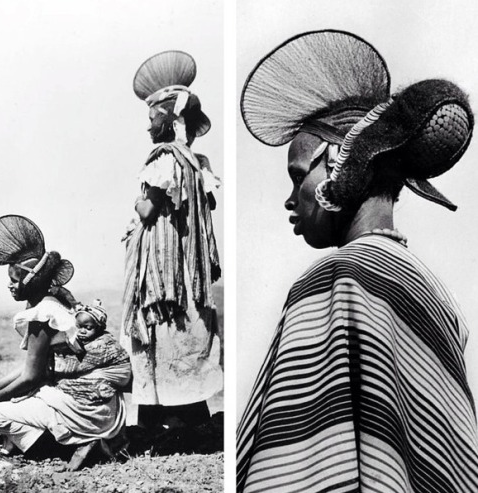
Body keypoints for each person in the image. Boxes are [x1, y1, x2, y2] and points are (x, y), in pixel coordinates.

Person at [237, 30, 478, 492]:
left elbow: (299, 467)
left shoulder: (336, 277)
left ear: (336, 163)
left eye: (296, 177)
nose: (291, 200)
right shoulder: (434, 293)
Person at [121, 51, 223, 431]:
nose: (148, 128)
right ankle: (189, 413)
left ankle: (160, 417)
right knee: (186, 328)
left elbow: (148, 211)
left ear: (165, 120)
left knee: (160, 326)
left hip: (164, 270)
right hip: (188, 268)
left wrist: (137, 200)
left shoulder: (164, 158)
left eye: (151, 119)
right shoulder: (200, 163)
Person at [0, 215, 130, 470]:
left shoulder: (42, 316)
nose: (10, 285)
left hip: (85, 409)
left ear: (31, 282)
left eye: (15, 280)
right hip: (99, 406)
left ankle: (71, 445)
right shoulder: (54, 306)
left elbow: (31, 377)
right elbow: (33, 366)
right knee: (8, 401)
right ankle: (77, 437)